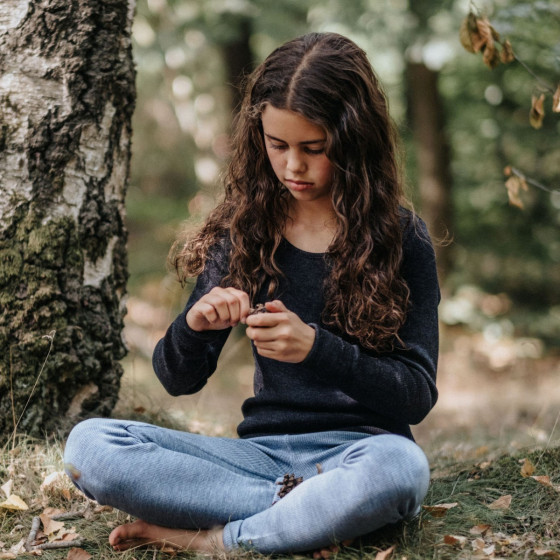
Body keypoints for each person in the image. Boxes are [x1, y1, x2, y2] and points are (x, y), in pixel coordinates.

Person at [64, 31, 440, 556]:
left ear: (354, 139)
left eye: (314, 149)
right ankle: (306, 514)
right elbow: (177, 378)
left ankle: (224, 540)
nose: (292, 167)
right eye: (277, 145)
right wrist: (196, 324)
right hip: (257, 459)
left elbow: (417, 395)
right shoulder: (246, 232)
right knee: (91, 446)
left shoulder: (402, 240)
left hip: (364, 454)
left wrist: (317, 348)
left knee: (402, 470)